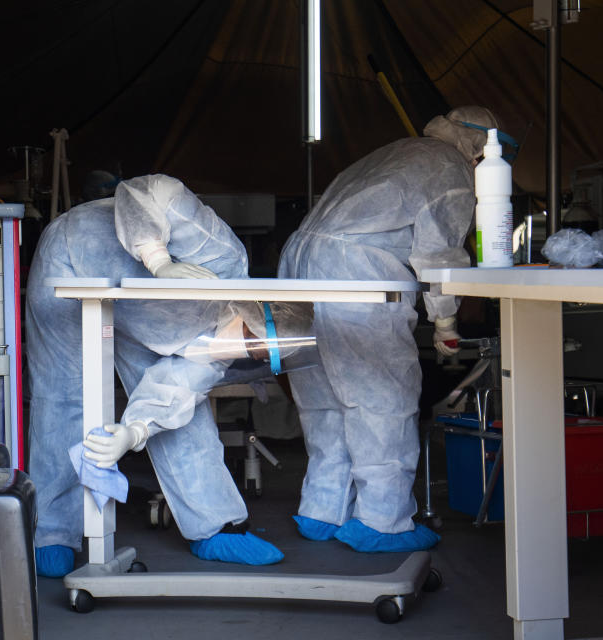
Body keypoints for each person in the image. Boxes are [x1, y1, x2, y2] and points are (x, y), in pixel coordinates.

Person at [26, 174, 312, 577]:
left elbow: (171, 394)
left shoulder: (212, 355)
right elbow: (146, 189)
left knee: (185, 415)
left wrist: (134, 431)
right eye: (253, 342)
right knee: (64, 396)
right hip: (75, 254)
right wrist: (158, 260)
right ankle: (53, 532)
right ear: (257, 310)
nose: (242, 355)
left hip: (144, 318)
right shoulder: (222, 258)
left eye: (256, 358)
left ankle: (216, 525)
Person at [277, 106, 501, 552]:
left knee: (323, 396)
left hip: (300, 261)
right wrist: (446, 319)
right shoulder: (450, 167)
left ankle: (322, 510)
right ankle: (382, 520)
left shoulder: (397, 150)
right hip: (355, 273)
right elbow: (439, 252)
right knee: (383, 397)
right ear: (478, 149)